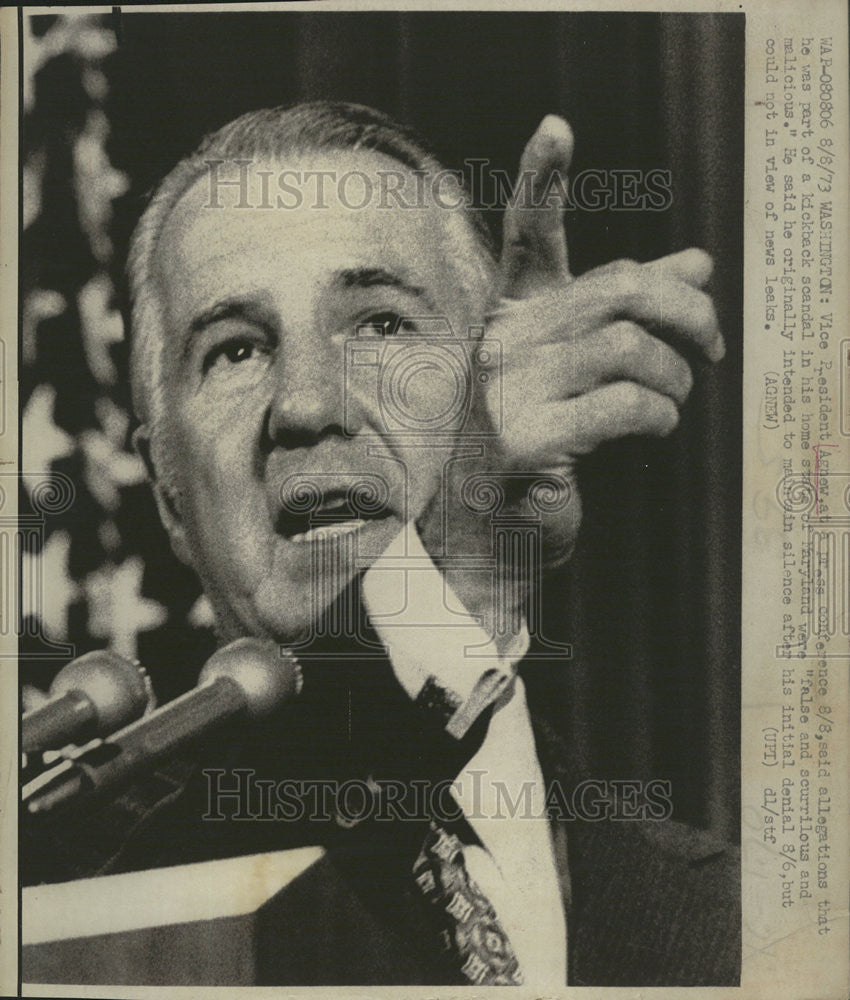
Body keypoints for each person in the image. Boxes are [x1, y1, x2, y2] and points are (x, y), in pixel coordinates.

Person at [24, 102, 739, 987]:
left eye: (382, 326)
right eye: (237, 349)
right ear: (169, 493)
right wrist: (456, 579)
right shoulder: (72, 888)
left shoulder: (752, 918)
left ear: (497, 391)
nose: (307, 407)